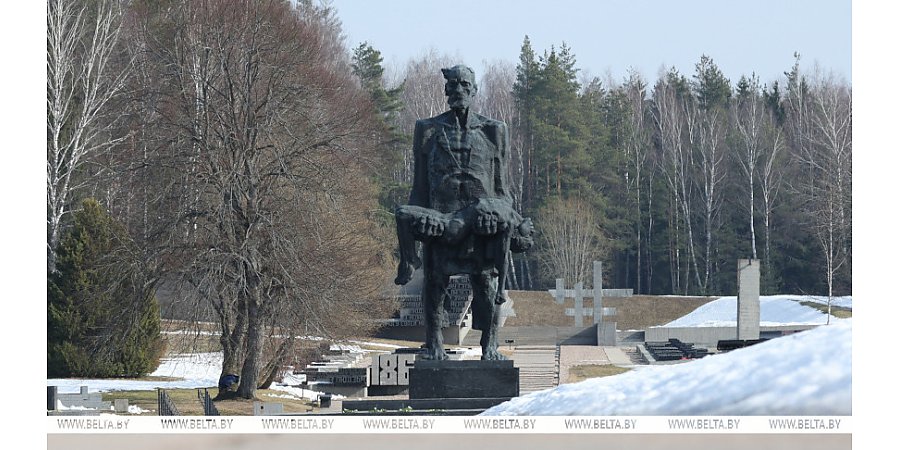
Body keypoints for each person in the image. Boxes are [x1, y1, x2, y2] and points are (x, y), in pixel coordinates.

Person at [394, 64, 534, 360]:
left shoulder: (494, 131)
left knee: (487, 285)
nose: (458, 90)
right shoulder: (428, 129)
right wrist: (419, 221)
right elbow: (420, 187)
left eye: (464, 85)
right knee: (434, 281)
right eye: (453, 85)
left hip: (481, 225)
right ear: (446, 91)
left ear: (474, 90)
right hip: (441, 221)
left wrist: (504, 216)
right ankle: (434, 344)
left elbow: (502, 188)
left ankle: (490, 346)